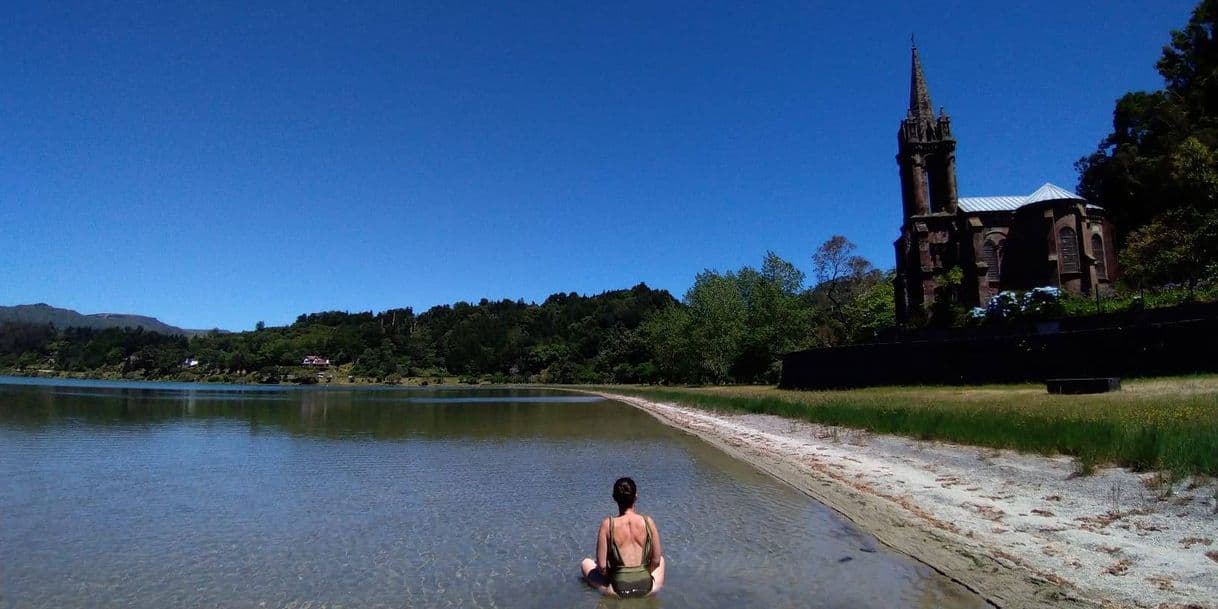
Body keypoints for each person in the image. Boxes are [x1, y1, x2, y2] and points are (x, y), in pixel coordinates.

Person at [580, 477, 666, 598]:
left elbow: (602, 567)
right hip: (647, 588)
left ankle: (606, 590)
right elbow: (656, 561)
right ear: (636, 496)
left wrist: (617, 576)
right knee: (661, 560)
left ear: (614, 498)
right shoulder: (648, 522)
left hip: (617, 590)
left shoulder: (607, 524)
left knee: (586, 563)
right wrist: (642, 574)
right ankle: (652, 587)